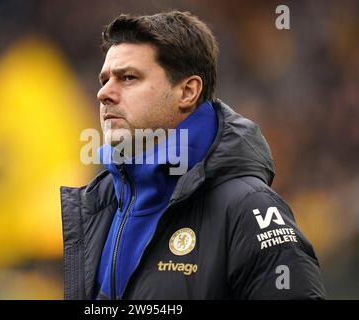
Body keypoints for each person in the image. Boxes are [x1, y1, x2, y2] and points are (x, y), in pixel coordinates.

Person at [60, 11, 326, 299]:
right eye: (104, 80)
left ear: (187, 91)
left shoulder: (249, 209)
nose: (104, 93)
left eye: (127, 77)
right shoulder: (99, 207)